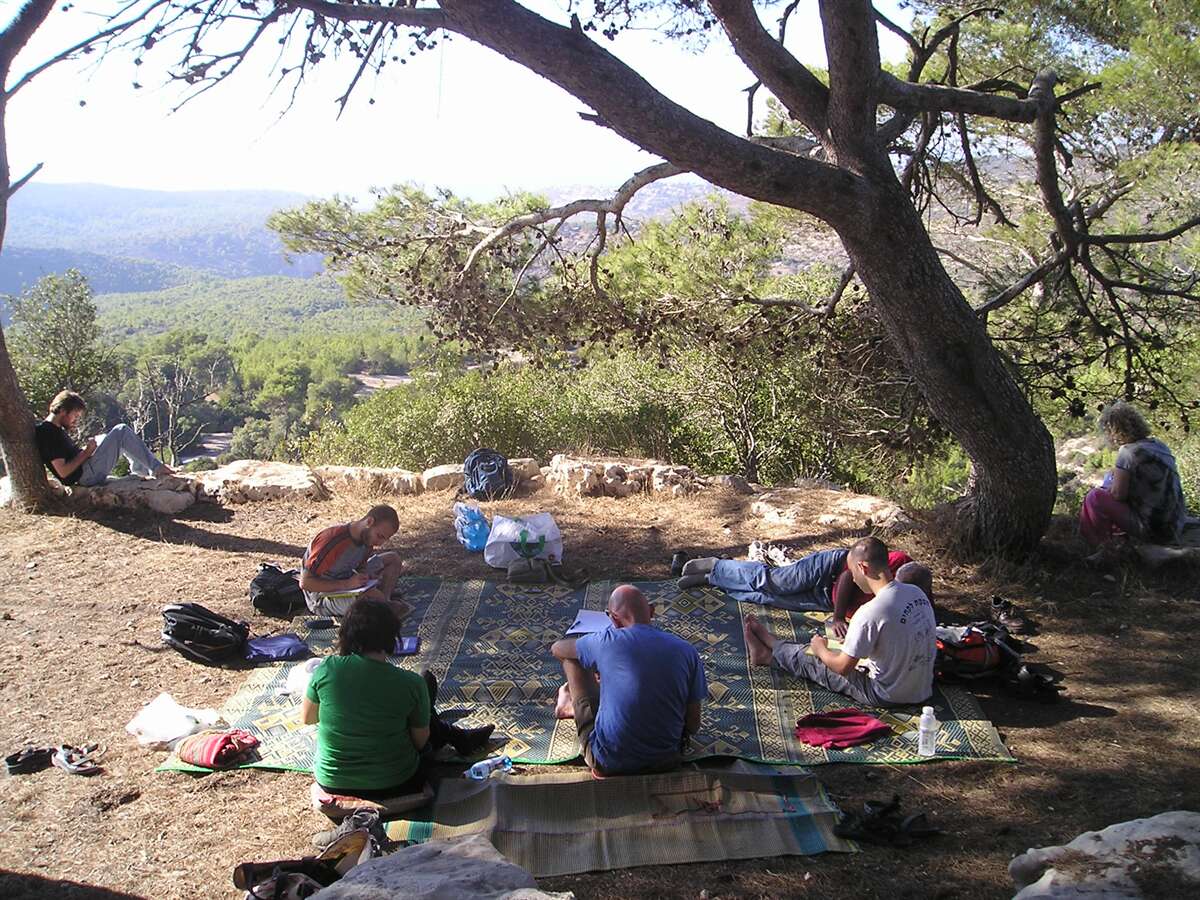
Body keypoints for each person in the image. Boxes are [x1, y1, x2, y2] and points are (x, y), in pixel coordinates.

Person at [301, 597, 494, 800]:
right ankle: (456, 736)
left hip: (333, 782)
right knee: (425, 686)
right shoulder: (409, 683)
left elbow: (308, 718)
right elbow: (420, 743)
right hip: (397, 782)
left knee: (424, 685)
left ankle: (457, 736)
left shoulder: (327, 668)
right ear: (392, 638)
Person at [743, 537, 936, 708]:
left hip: (886, 694)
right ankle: (768, 652)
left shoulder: (870, 611)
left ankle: (770, 649)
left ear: (862, 568)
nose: (852, 577)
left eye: (853, 571)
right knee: (843, 650)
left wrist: (820, 649)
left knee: (813, 659)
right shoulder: (916, 593)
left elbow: (842, 668)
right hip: (922, 690)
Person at [551, 585, 706, 776]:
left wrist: (596, 661)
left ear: (614, 619)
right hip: (667, 761)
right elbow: (693, 725)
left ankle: (574, 704)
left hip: (609, 762)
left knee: (572, 660)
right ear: (651, 611)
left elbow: (558, 648)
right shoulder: (687, 651)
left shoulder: (604, 641)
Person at [680, 544, 928, 638]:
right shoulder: (896, 564)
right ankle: (718, 564)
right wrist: (839, 617)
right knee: (773, 582)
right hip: (829, 570)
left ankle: (713, 579)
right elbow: (847, 576)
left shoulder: (914, 600)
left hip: (826, 600)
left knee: (770, 598)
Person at [1080, 401, 1188, 555]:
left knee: (1094, 497)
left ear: (1114, 431)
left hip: (1153, 528)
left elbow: (1119, 495)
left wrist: (1109, 486)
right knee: (1110, 476)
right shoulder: (1159, 446)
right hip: (1174, 524)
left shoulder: (1128, 452)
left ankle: (1102, 549)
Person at [34, 390, 173, 487]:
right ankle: (156, 468)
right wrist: (86, 453)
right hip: (85, 476)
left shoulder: (55, 429)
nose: (75, 421)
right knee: (121, 431)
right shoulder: (48, 433)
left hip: (86, 469)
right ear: (63, 411)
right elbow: (63, 472)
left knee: (105, 437)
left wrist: (87, 451)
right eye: (75, 416)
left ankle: (140, 472)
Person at [300, 505, 405, 616]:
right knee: (370, 598)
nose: (380, 543)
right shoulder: (332, 540)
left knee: (393, 559)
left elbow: (361, 566)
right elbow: (306, 583)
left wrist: (365, 576)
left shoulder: (367, 539)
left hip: (348, 581)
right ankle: (383, 606)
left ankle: (385, 601)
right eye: (379, 536)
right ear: (369, 522)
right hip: (321, 597)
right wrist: (347, 584)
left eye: (384, 539)